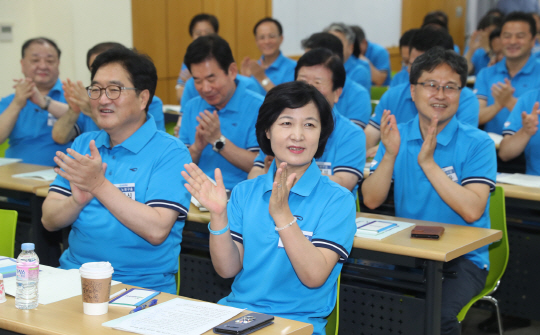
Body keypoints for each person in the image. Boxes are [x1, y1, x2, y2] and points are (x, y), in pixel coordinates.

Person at [182, 81, 356, 335]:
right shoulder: (245, 191)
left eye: (309, 124)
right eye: (286, 123)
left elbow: (314, 276)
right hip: (237, 317)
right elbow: (227, 269)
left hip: (296, 324)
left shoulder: (338, 200)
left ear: (321, 134)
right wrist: (219, 216)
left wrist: (282, 214)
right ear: (267, 130)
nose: (298, 135)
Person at [362, 47, 496, 335]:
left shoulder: (478, 143)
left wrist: (428, 163)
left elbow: (472, 209)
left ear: (461, 93)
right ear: (413, 90)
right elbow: (372, 200)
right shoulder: (396, 135)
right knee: (364, 301)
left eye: (450, 87)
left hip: (463, 260)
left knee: (437, 316)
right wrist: (389, 155)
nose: (440, 94)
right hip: (410, 253)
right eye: (431, 85)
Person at [41, 48, 191, 294]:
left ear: (143, 99)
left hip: (140, 288)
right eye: (96, 89)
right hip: (74, 279)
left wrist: (99, 186)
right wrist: (76, 202)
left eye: (114, 90)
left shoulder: (171, 152)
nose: (102, 99)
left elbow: (156, 230)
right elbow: (48, 219)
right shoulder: (84, 145)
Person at [248, 48, 366, 198]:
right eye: (303, 81)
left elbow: (343, 183)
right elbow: (256, 173)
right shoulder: (280, 126)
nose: (308, 89)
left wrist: (284, 174)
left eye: (317, 82)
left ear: (337, 93)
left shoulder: (351, 133)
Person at [364, 27, 479, 156]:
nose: (410, 71)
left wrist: (396, 150)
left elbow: (461, 148)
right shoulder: (394, 95)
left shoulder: (464, 99)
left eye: (418, 66)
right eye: (409, 64)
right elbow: (370, 135)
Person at [180, 35, 264, 190]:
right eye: (197, 81)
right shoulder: (192, 107)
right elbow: (178, 166)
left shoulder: (259, 107)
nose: (205, 88)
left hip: (238, 199)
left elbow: (262, 165)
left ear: (232, 71)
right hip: (194, 199)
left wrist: (218, 141)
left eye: (211, 79)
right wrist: (196, 148)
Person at [52, 42, 165, 145]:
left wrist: (91, 110)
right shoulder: (82, 142)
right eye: (95, 69)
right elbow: (59, 137)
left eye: (114, 89)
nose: (103, 99)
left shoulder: (150, 103)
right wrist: (74, 109)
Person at [0, 37, 72, 166]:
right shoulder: (9, 101)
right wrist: (17, 103)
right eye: (35, 60)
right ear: (22, 64)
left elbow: (82, 116)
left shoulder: (72, 96)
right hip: (13, 180)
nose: (43, 66)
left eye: (50, 61)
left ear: (58, 63)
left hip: (62, 179)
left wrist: (45, 102)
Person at [475, 12, 540, 135]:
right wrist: (498, 105)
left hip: (532, 151)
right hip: (492, 149)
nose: (512, 41)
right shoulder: (486, 74)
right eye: (507, 36)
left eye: (520, 36)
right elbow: (476, 117)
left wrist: (509, 101)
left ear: (533, 41)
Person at [301, 32, 371, 128]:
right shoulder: (298, 87)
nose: (306, 65)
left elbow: (351, 137)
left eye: (313, 61)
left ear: (334, 60)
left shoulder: (358, 94)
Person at [240, 17, 296, 96]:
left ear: (281, 38)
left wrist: (262, 77)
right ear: (256, 41)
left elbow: (286, 101)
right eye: (262, 38)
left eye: (272, 36)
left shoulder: (293, 68)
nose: (267, 42)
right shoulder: (253, 68)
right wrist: (244, 80)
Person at [176, 13, 219, 102]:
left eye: (207, 32)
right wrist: (191, 84)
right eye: (198, 33)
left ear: (216, 34)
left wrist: (193, 82)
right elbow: (179, 96)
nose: (203, 37)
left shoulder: (223, 56)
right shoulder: (189, 59)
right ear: (192, 36)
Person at [323, 23, 371, 91]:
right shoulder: (321, 67)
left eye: (338, 43)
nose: (332, 47)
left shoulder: (360, 70)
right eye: (329, 43)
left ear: (351, 47)